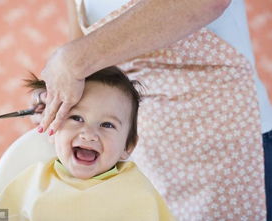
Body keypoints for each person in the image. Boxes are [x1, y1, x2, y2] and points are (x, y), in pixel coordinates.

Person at [32, 0, 270, 219]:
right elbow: (89, 70)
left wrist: (72, 60)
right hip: (150, 162)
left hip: (229, 151)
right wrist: (56, 95)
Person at [0, 67, 175, 221]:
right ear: (52, 127)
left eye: (107, 124)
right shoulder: (35, 182)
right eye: (77, 118)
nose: (89, 134)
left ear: (128, 146)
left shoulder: (138, 194)